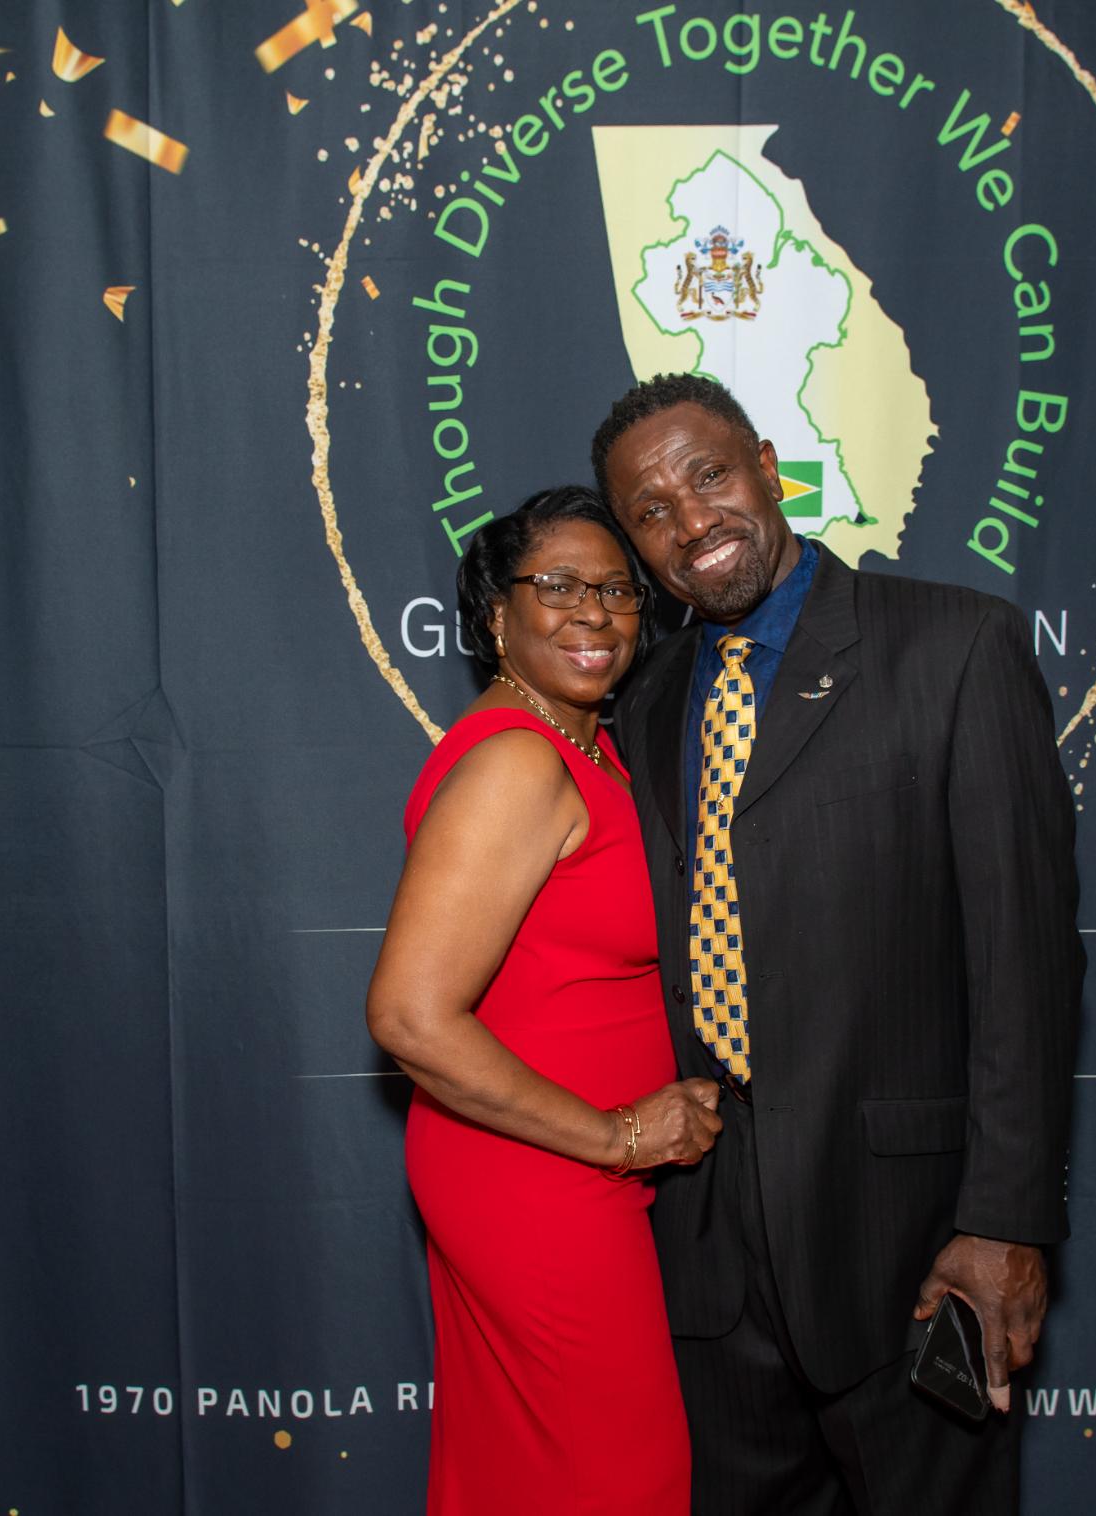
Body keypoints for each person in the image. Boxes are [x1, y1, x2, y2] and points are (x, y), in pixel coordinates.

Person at [593, 376, 1084, 1514]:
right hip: (706, 1260)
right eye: (651, 511)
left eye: (709, 476)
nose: (691, 522)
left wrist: (1004, 1220)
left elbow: (1028, 965)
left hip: (910, 1250)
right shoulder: (648, 698)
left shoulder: (954, 645)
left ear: (770, 466)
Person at [366, 485, 724, 1516]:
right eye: (558, 586)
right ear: (496, 613)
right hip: (540, 1175)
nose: (594, 613)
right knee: (621, 1478)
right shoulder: (519, 761)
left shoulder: (578, 740)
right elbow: (409, 1017)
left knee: (530, 1476)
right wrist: (617, 1136)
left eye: (617, 590)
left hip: (544, 1168)